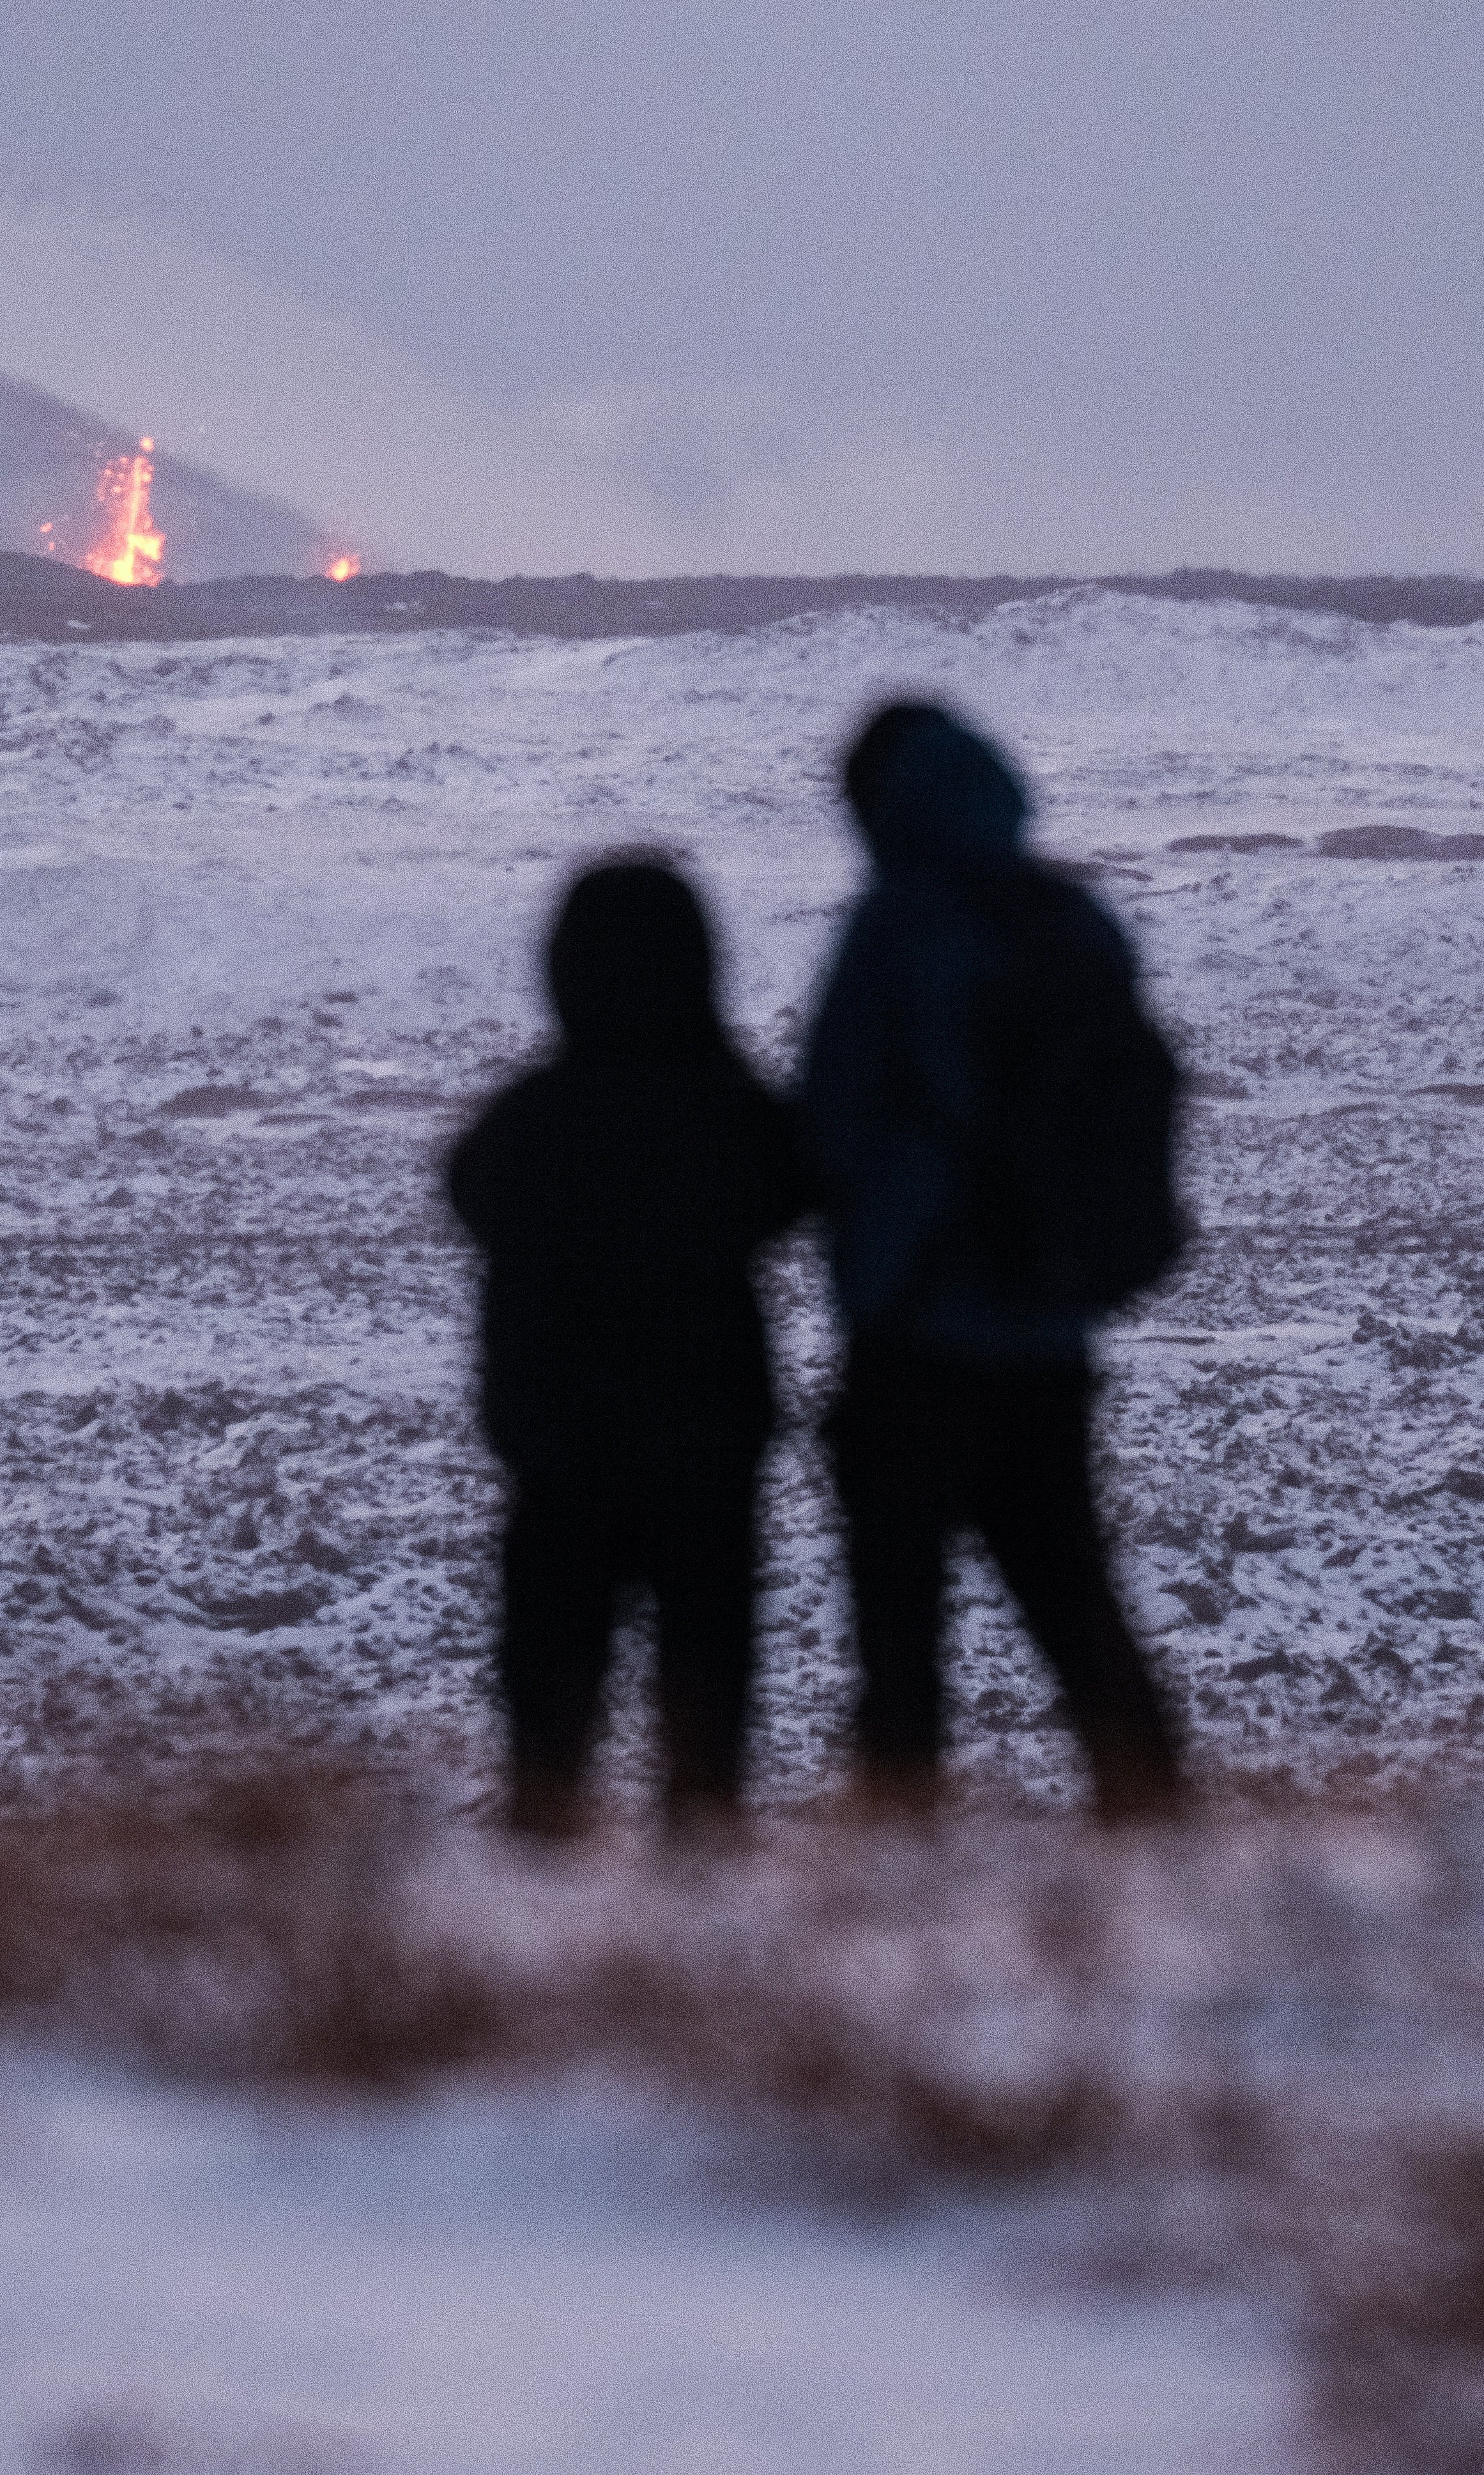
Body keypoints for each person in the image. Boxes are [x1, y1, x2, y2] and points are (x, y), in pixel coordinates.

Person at [798, 697, 1191, 1824]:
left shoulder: (896, 928)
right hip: (1052, 1328)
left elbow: (831, 1122)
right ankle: (1159, 1836)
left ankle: (899, 1858)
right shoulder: (1078, 922)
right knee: (1077, 1605)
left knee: (900, 1634)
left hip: (913, 1330)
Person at [445, 858, 808, 1839]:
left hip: (559, 1458)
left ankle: (543, 1898)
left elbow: (468, 1190)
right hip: (706, 1453)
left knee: (551, 1714)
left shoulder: (533, 1118)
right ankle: (700, 1902)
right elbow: (792, 1187)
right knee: (709, 1706)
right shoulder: (728, 1113)